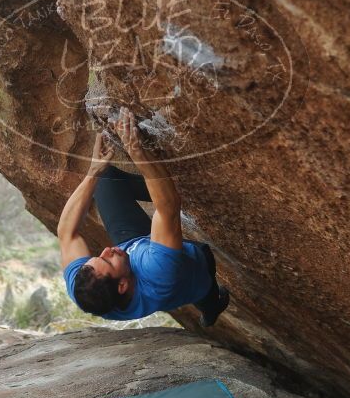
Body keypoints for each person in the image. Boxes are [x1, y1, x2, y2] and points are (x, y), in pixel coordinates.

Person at [58, 107, 230, 326]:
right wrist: (137, 151)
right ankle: (211, 307)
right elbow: (168, 207)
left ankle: (170, 180)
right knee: (204, 273)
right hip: (191, 273)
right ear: (122, 286)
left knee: (106, 179)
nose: (106, 250)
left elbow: (66, 233)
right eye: (106, 260)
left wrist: (93, 171)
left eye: (98, 256)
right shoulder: (157, 272)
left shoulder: (85, 289)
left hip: (133, 244)